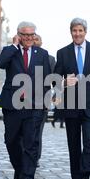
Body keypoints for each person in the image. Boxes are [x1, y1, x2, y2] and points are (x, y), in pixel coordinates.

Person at [0, 22, 51, 179]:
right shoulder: (10, 51)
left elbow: (47, 80)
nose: (28, 38)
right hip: (12, 105)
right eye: (25, 35)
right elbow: (0, 63)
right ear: (18, 35)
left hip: (34, 106)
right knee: (11, 140)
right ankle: (19, 170)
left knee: (30, 143)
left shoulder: (42, 54)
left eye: (31, 35)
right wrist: (13, 45)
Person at [54, 18, 90, 179]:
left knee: (89, 140)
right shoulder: (63, 53)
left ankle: (85, 176)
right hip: (71, 105)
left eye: (80, 30)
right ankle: (76, 176)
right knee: (73, 142)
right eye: (74, 30)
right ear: (71, 32)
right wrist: (63, 82)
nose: (77, 34)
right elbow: (55, 80)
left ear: (85, 31)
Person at [33, 34, 55, 168]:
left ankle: (35, 158)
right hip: (23, 101)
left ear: (41, 42)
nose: (34, 41)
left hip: (42, 102)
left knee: (37, 132)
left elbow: (55, 80)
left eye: (37, 39)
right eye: (33, 38)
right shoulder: (23, 56)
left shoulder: (50, 59)